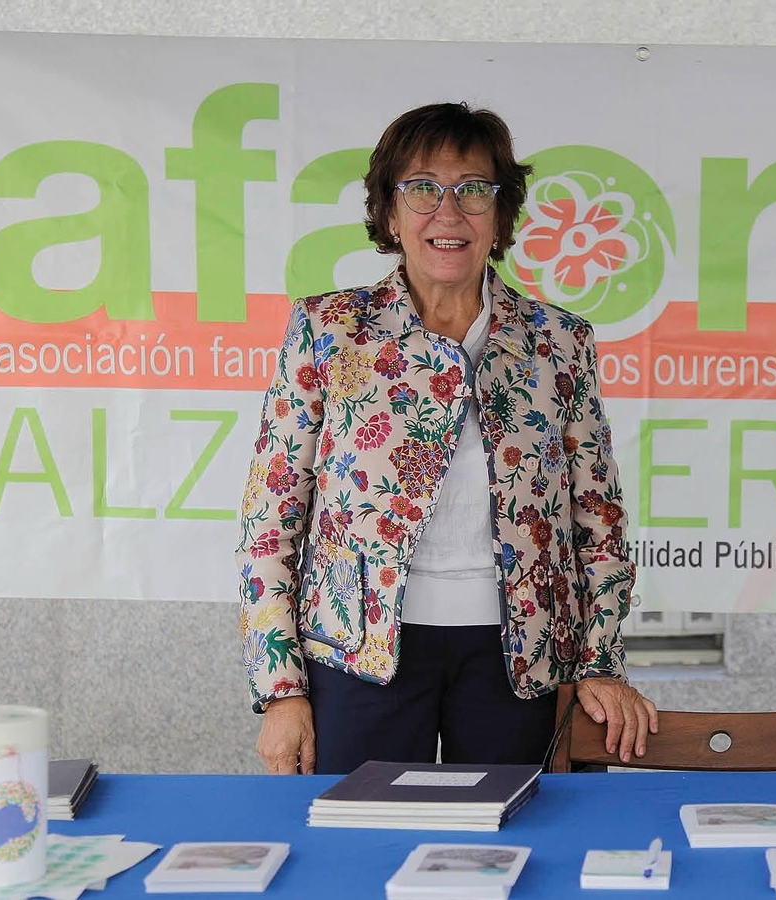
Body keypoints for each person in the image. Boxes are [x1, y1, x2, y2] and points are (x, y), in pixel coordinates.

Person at [236, 102, 656, 775]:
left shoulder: (558, 341)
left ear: (501, 215)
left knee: (514, 854)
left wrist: (599, 661)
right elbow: (270, 520)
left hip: (523, 661)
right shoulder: (329, 330)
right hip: (358, 656)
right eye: (423, 188)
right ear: (390, 213)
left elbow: (597, 521)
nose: (449, 212)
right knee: (361, 856)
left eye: (474, 190)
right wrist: (281, 690)